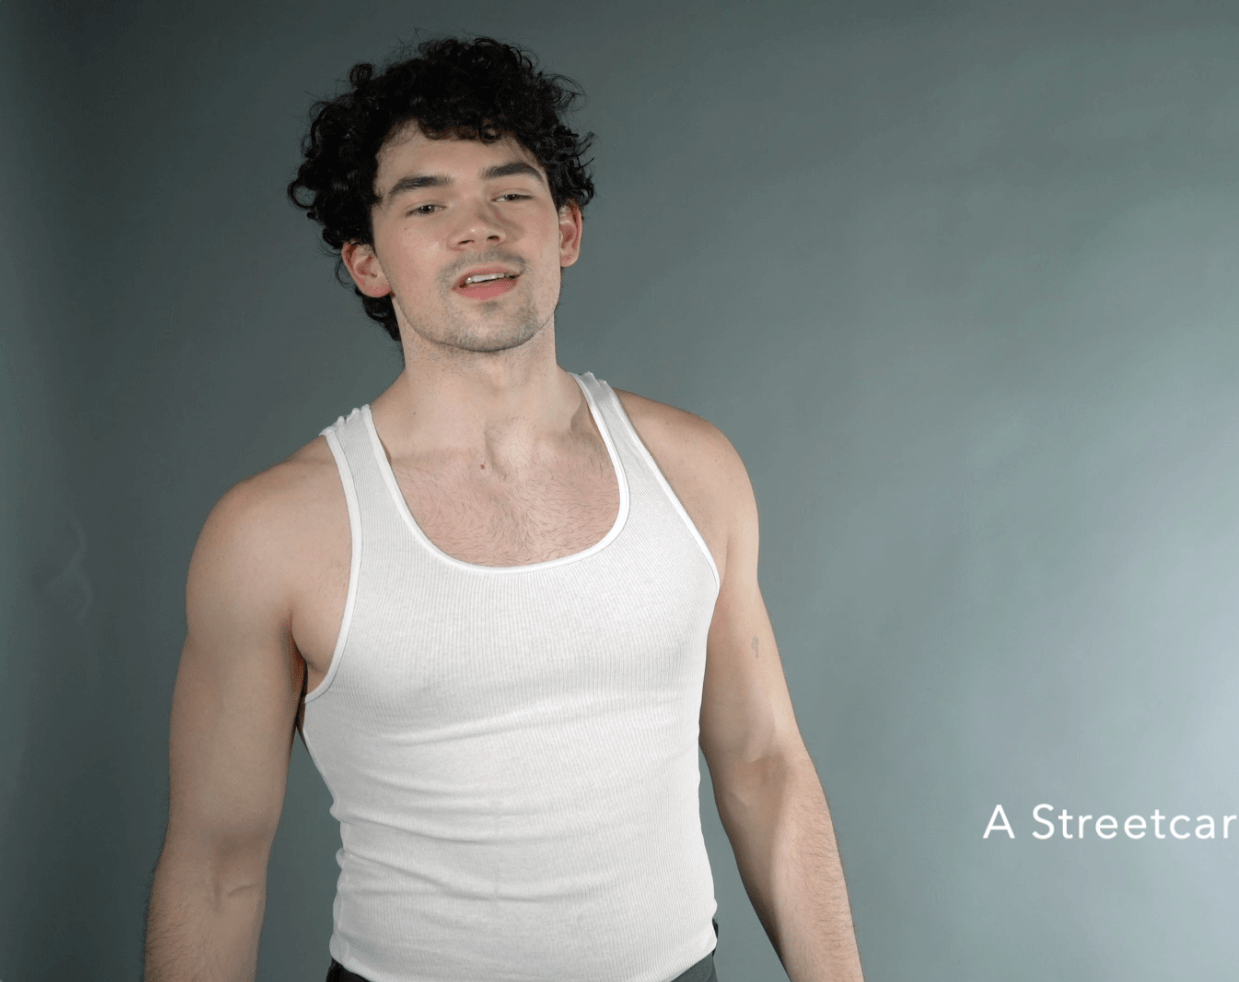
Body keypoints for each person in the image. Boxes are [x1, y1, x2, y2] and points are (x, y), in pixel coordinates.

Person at [143, 36, 864, 982]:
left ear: (564, 231)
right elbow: (215, 872)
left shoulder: (694, 470)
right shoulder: (274, 533)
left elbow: (767, 769)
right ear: (368, 263)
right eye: (427, 203)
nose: (477, 226)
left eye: (510, 192)